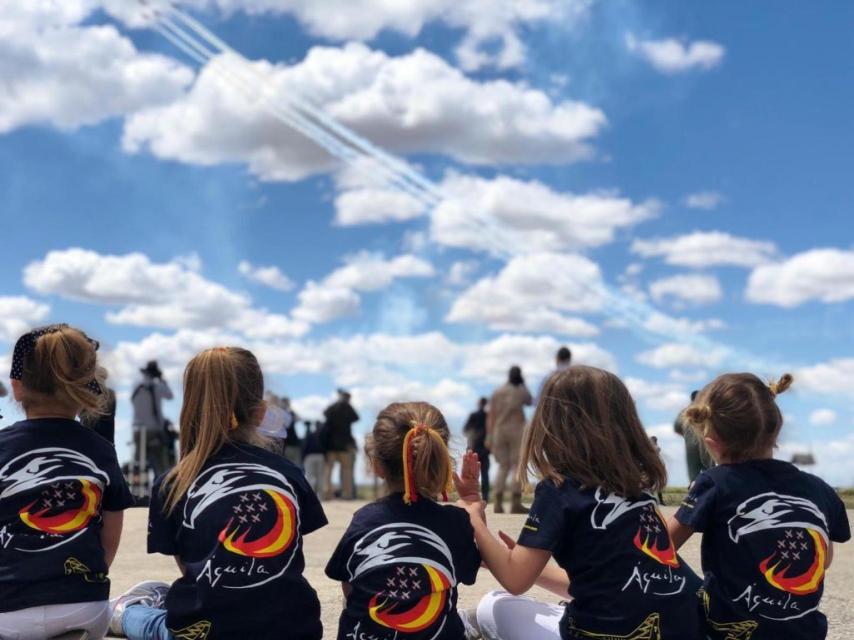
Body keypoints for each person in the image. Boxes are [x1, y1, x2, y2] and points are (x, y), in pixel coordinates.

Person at [458, 366, 701, 640]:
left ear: (549, 425)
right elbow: (604, 586)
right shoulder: (639, 491)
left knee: (493, 606)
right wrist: (529, 564)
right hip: (680, 628)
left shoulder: (559, 490)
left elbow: (515, 580)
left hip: (607, 634)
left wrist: (472, 510)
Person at [110, 347, 327, 640]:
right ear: (261, 412)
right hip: (293, 630)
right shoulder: (289, 474)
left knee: (154, 625)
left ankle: (124, 611)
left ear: (190, 409)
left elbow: (190, 565)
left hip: (204, 631)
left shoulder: (172, 483)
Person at [668, 373, 850, 640]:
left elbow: (662, 547)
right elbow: (825, 560)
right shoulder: (819, 489)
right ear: (776, 430)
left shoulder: (714, 483)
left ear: (711, 443)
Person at [0, 324, 134, 639]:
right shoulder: (101, 450)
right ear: (87, 391)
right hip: (84, 607)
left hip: (7, 609)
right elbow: (111, 533)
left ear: (16, 387)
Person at [325, 401, 481, 640]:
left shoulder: (364, 519)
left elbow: (349, 586)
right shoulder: (456, 522)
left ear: (377, 465)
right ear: (441, 460)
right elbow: (467, 571)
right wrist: (472, 500)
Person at [488, 366, 532, 514]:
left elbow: (491, 415)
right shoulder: (520, 391)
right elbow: (530, 401)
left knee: (503, 466)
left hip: (499, 431)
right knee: (517, 466)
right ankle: (515, 503)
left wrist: (489, 436)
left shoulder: (498, 392)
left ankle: (498, 503)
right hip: (516, 430)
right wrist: (523, 383)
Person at [131, 361, 174, 481]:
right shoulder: (158, 386)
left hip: (138, 429)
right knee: (161, 465)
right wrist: (162, 380)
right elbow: (170, 396)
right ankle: (162, 486)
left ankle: (138, 486)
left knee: (139, 463)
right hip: (155, 430)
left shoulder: (136, 387)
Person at [323, 389, 359, 500]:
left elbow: (325, 413)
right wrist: (345, 404)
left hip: (332, 445)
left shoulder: (335, 407)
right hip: (344, 445)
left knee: (329, 470)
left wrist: (338, 402)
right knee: (346, 471)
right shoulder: (347, 408)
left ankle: (328, 493)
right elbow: (356, 417)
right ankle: (346, 494)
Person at [674, 390, 714, 484]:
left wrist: (686, 435)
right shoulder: (707, 409)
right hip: (706, 444)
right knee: (711, 472)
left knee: (693, 476)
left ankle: (694, 491)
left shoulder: (685, 411)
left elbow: (677, 426)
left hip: (691, 446)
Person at [463, 397, 491, 502]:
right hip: (485, 450)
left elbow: (465, 430)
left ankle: (471, 497)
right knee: (485, 475)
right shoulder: (489, 417)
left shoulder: (473, 416)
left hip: (473, 449)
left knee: (471, 474)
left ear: (479, 404)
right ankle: (485, 498)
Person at [80, 368, 117, 445]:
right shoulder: (111, 394)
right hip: (108, 442)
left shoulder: (88, 393)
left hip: (88, 441)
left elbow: (79, 414)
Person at [302, 420, 326, 496]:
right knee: (320, 477)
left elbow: (305, 447)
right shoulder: (323, 436)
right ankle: (320, 495)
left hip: (310, 456)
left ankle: (310, 495)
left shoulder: (310, 435)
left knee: (310, 476)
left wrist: (303, 458)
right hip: (320, 456)